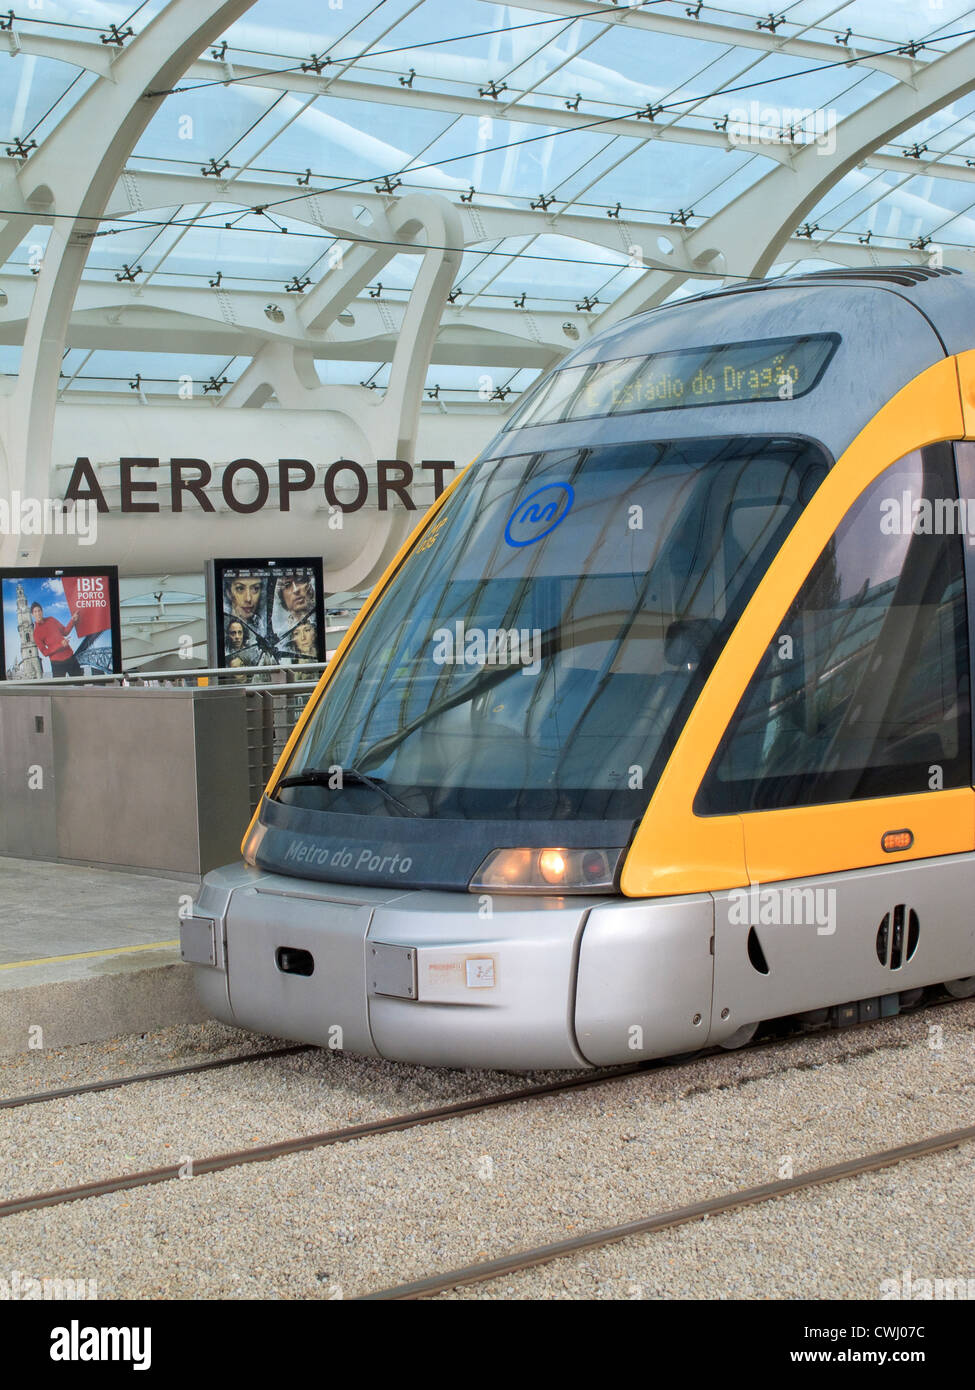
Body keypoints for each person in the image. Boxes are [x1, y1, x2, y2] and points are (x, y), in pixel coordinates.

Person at [30, 602, 84, 677]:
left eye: (39, 610)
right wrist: (60, 645)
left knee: (80, 683)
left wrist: (73, 621)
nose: (38, 613)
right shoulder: (36, 634)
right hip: (57, 664)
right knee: (59, 688)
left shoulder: (51, 620)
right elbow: (45, 652)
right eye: (35, 612)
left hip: (70, 657)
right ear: (32, 615)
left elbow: (65, 632)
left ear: (42, 612)